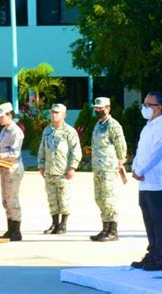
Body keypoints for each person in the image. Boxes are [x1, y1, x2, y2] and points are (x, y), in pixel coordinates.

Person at [131, 92, 162, 271]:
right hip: (144, 181)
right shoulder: (148, 126)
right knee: (148, 218)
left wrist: (140, 170)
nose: (145, 107)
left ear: (159, 107)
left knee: (158, 218)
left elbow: (157, 152)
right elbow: (141, 151)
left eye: (149, 105)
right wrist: (134, 167)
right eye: (144, 104)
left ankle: (161, 257)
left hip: (157, 180)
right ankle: (152, 252)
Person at [38, 103, 82, 235]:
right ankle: (54, 223)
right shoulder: (47, 130)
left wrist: (72, 167)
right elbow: (42, 148)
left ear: (64, 115)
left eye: (57, 112)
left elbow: (76, 150)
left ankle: (63, 224)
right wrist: (41, 164)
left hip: (63, 171)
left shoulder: (69, 131)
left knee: (63, 198)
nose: (54, 114)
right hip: (50, 170)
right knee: (52, 199)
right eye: (53, 112)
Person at [90, 97, 127, 242]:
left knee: (109, 198)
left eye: (101, 108)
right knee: (100, 199)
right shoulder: (98, 125)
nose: (98, 110)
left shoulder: (113, 125)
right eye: (96, 108)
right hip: (98, 168)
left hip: (108, 168)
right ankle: (105, 228)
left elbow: (120, 145)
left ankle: (113, 230)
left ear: (108, 108)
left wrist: (120, 160)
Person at [0, 102, 25, 242]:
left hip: (13, 169)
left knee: (12, 199)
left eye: (1, 116)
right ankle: (10, 229)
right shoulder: (4, 130)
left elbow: (14, 153)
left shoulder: (16, 132)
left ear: (10, 115)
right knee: (5, 200)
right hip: (3, 169)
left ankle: (17, 230)